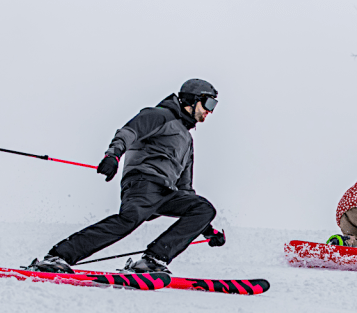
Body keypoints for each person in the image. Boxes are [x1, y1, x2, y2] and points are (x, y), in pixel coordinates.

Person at [27, 79, 226, 274]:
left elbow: (185, 188)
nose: (211, 110)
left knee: (203, 208)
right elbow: (128, 132)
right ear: (192, 100)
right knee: (128, 221)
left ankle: (154, 260)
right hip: (144, 183)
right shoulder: (159, 115)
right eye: (209, 103)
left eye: (214, 105)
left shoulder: (187, 141)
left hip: (166, 193)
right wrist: (112, 155)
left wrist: (205, 229)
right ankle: (58, 257)